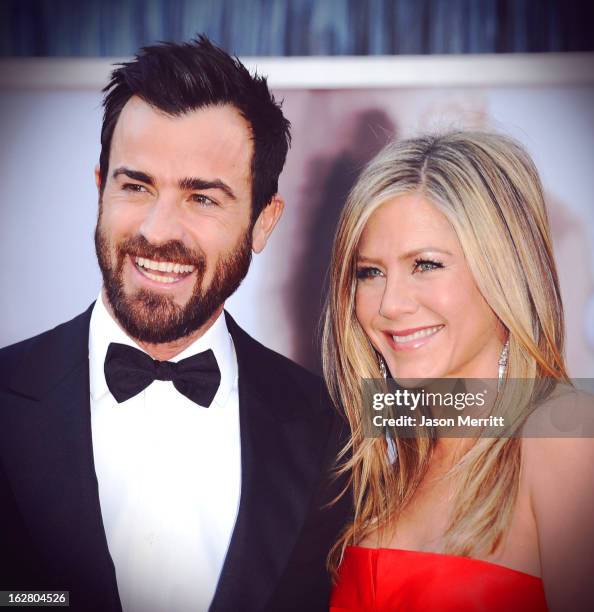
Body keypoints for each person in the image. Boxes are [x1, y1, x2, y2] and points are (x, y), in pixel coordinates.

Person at [0, 35, 349, 612]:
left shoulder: (328, 431)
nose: (159, 230)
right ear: (99, 191)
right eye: (136, 186)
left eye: (202, 198)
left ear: (263, 223)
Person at [322, 132, 594, 611]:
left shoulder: (570, 438)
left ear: (505, 272)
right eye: (370, 272)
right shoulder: (381, 474)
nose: (390, 304)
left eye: (426, 264)